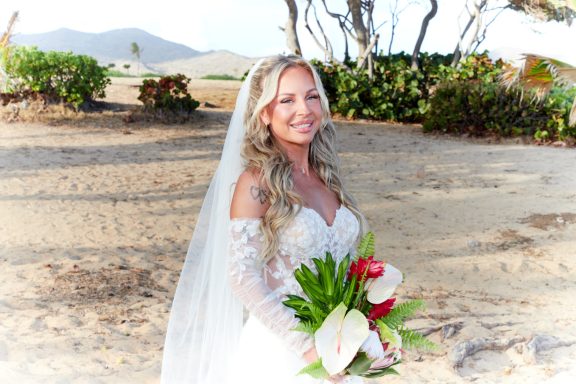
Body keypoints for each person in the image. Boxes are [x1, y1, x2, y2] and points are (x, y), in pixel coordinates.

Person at [161, 55, 365, 384]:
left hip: (339, 345)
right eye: (287, 100)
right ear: (265, 113)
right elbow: (242, 276)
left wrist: (367, 325)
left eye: (311, 96)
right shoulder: (256, 183)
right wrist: (308, 347)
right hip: (284, 353)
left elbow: (349, 263)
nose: (304, 110)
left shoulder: (326, 177)